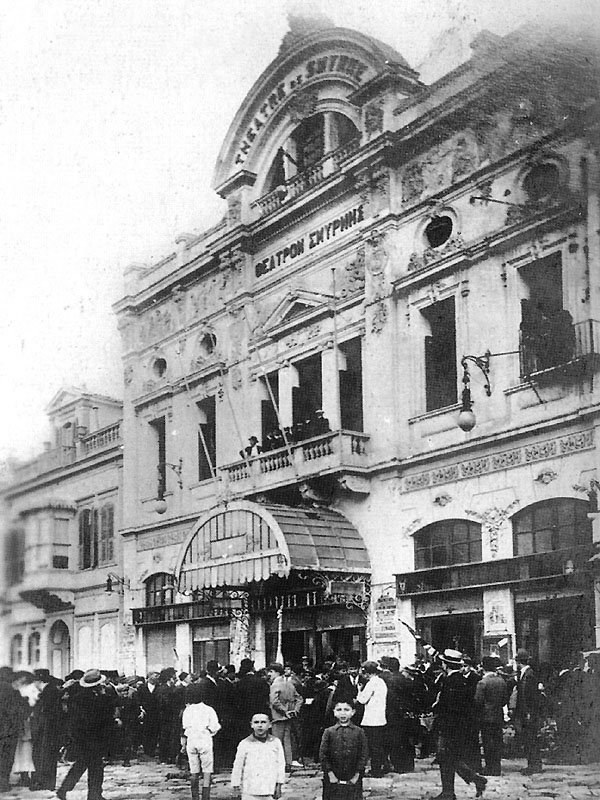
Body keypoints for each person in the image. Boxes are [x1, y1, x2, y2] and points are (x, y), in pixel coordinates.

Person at [431, 649, 487, 800]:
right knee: (449, 757)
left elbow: (449, 705)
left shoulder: (451, 681)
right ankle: (473, 781)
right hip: (458, 726)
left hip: (449, 726)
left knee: (445, 757)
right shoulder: (461, 680)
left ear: (445, 664)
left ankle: (450, 792)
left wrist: (437, 706)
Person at [56, 669, 116, 800]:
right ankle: (93, 795)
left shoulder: (83, 697)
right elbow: (98, 717)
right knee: (94, 767)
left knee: (83, 765)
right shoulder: (92, 699)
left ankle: (66, 789)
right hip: (89, 737)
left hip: (86, 737)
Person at [319, 699, 368, 800]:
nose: (343, 713)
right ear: (334, 712)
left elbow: (364, 754)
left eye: (346, 710)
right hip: (333, 776)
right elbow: (323, 754)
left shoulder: (359, 732)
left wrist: (357, 774)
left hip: (353, 774)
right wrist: (330, 773)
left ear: (352, 712)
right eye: (339, 710)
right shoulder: (329, 732)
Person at [231, 712, 285, 800]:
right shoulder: (245, 743)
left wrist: (279, 784)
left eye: (263, 722)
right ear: (251, 725)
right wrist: (235, 786)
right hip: (250, 790)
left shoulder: (275, 742)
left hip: (269, 789)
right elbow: (238, 766)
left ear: (270, 725)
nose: (260, 725)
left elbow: (281, 764)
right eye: (256, 722)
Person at [181, 683, 221, 800]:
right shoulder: (209, 710)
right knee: (207, 769)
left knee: (194, 769)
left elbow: (185, 727)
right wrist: (209, 732)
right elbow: (214, 727)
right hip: (204, 740)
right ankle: (205, 796)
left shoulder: (187, 710)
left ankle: (194, 796)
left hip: (191, 740)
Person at [474, 656, 509, 776]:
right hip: (498, 715)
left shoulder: (482, 683)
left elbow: (478, 701)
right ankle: (497, 766)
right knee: (498, 741)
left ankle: (490, 767)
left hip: (485, 717)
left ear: (483, 668)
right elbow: (505, 700)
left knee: (488, 742)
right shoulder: (501, 681)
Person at [30, 668, 64, 790]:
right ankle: (43, 782)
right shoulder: (47, 689)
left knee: (46, 755)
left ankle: (45, 783)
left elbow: (52, 710)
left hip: (48, 727)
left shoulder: (50, 690)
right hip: (42, 726)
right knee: (40, 754)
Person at [267, 663, 303, 772]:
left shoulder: (275, 685)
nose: (269, 674)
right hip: (289, 717)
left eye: (271, 672)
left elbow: (274, 701)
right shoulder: (290, 684)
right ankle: (288, 763)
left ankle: (280, 764)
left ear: (277, 672)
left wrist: (285, 711)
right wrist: (294, 710)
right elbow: (300, 698)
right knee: (287, 740)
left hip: (278, 717)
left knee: (277, 741)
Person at [356, 661, 387, 778]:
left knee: (371, 747)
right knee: (378, 746)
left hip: (371, 719)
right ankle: (378, 768)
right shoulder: (381, 682)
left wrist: (359, 690)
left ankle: (376, 770)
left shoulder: (371, 683)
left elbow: (362, 699)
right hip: (380, 718)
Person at [514, 649, 542, 775]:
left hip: (528, 712)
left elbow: (528, 695)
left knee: (531, 739)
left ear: (518, 661)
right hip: (527, 712)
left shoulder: (528, 674)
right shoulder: (526, 673)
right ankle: (533, 763)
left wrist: (528, 712)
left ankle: (534, 765)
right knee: (529, 739)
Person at [0, 667, 24, 794]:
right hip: (8, 730)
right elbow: (16, 710)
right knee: (6, 758)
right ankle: (3, 783)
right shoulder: (11, 690)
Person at [137, 671, 160, 758]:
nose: (156, 678)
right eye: (155, 676)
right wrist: (141, 708)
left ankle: (152, 749)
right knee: (146, 731)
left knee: (155, 731)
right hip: (146, 713)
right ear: (149, 677)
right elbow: (138, 699)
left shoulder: (159, 687)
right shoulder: (142, 688)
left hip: (156, 713)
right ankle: (147, 749)